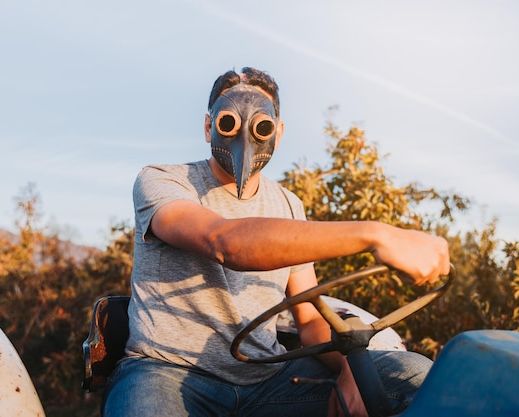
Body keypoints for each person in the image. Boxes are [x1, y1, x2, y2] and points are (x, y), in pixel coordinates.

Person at [102, 67, 449, 417]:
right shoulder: (163, 180)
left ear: (278, 133)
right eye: (228, 121)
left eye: (262, 126)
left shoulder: (289, 206)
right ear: (210, 126)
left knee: (413, 376)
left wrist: (350, 366)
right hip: (167, 371)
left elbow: (310, 320)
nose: (245, 136)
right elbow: (224, 243)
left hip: (269, 382)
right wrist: (377, 234)